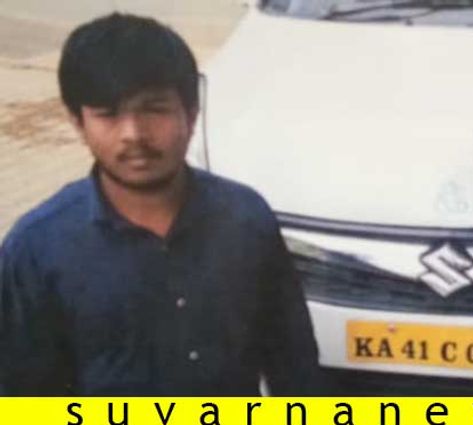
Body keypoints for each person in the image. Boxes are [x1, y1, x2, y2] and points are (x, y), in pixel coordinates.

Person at [0, 13, 321, 395]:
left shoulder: (246, 219)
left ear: (191, 114)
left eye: (153, 109)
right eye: (108, 114)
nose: (133, 134)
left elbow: (295, 368)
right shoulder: (38, 249)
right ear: (78, 123)